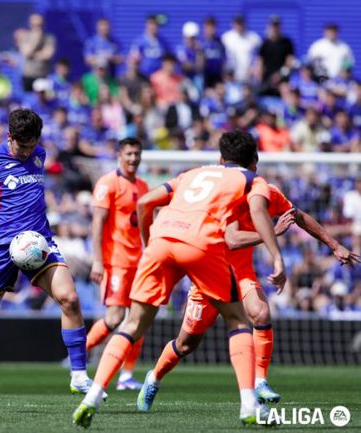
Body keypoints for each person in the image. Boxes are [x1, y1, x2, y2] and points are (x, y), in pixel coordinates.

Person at [73, 130, 286, 427]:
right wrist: (277, 256)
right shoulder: (252, 180)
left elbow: (145, 203)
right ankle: (249, 405)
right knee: (238, 321)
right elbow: (259, 212)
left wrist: (149, 242)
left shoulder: (192, 173)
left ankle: (92, 397)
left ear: (220, 158)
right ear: (255, 159)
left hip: (161, 239)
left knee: (131, 324)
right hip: (201, 243)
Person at [138, 181, 360, 411]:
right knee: (185, 345)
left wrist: (334, 245)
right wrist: (272, 232)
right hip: (209, 275)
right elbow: (232, 239)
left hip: (241, 274)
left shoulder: (268, 193)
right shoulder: (227, 193)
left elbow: (299, 217)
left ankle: (260, 381)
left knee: (261, 313)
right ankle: (153, 378)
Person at [0, 109, 97, 396]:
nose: (28, 152)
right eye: (22, 146)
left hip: (38, 242)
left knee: (69, 299)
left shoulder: (40, 154)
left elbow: (23, 200)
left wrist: (6, 218)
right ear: (10, 137)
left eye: (32, 145)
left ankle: (79, 376)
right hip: (2, 248)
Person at [86, 138, 149, 390]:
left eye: (137, 154)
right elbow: (97, 223)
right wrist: (97, 261)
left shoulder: (143, 186)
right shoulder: (108, 183)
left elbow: (145, 225)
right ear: (119, 155)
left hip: (139, 263)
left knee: (139, 319)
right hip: (116, 262)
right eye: (129, 154)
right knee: (114, 318)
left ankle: (126, 376)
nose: (133, 158)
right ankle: (79, 354)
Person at [17, 13, 56, 92]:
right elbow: (26, 53)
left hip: (43, 74)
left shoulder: (49, 38)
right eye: (35, 25)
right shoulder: (25, 37)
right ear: (30, 24)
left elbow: (48, 55)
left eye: (40, 25)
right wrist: (36, 40)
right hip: (28, 75)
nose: (38, 28)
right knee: (28, 99)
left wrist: (33, 55)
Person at [221, 16, 261, 83]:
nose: (239, 26)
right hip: (231, 78)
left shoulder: (253, 38)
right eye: (237, 23)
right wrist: (225, 71)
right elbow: (221, 57)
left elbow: (261, 55)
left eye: (241, 24)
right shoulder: (226, 38)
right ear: (233, 24)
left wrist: (255, 68)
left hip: (248, 77)